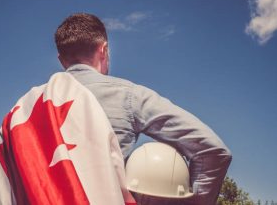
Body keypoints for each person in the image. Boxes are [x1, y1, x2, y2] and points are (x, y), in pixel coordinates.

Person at [54, 13, 232, 205]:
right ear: (103, 50)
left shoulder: (25, 108)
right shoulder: (128, 96)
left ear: (61, 60)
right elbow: (213, 151)